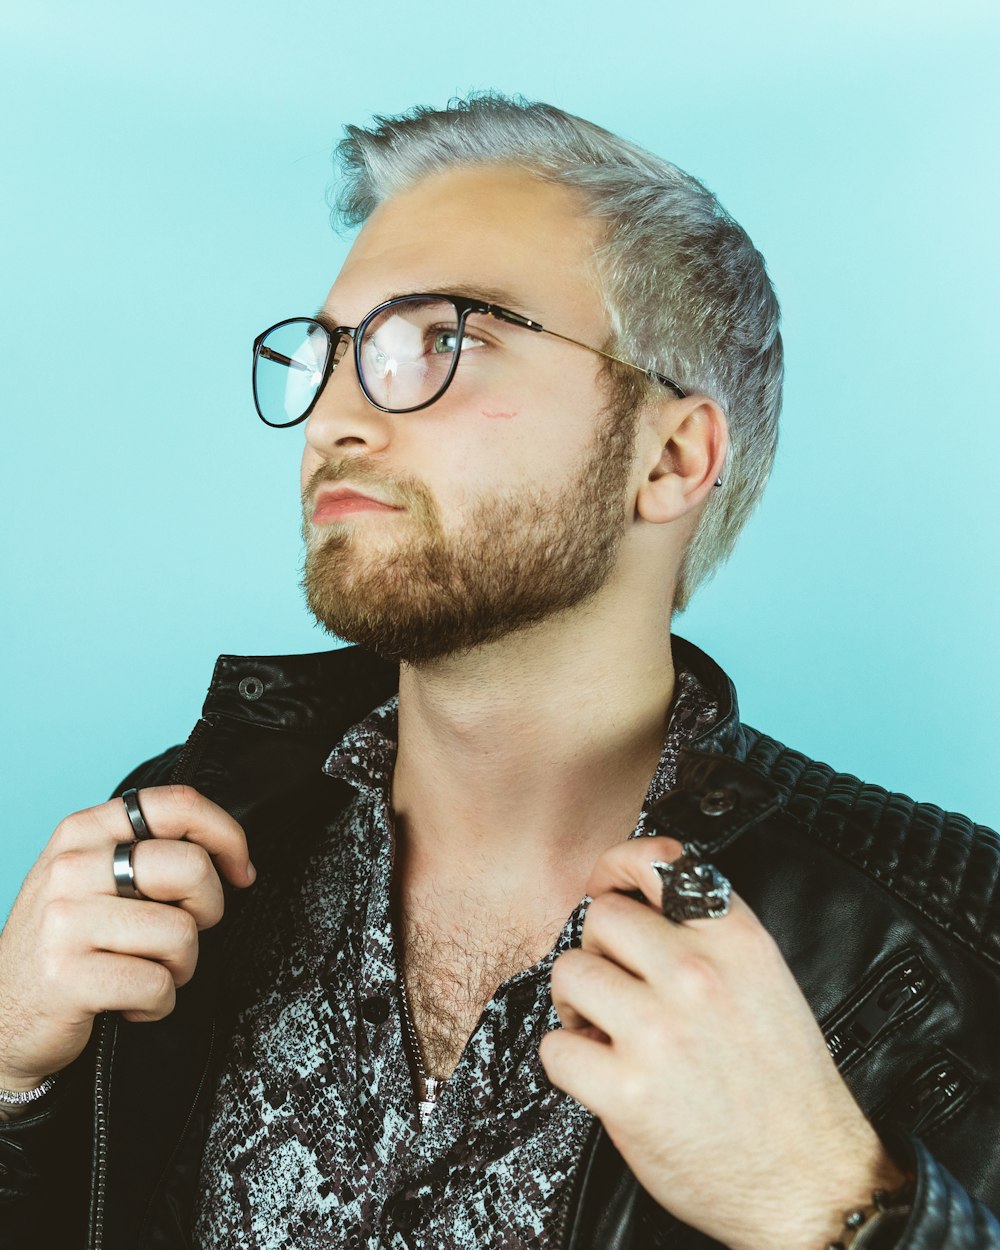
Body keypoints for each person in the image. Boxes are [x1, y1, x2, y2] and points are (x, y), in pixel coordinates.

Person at [0, 93, 997, 1250]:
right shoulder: (185, 836)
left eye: (442, 340)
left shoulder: (945, 941)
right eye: (327, 354)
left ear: (671, 457)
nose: (333, 416)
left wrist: (835, 1203)